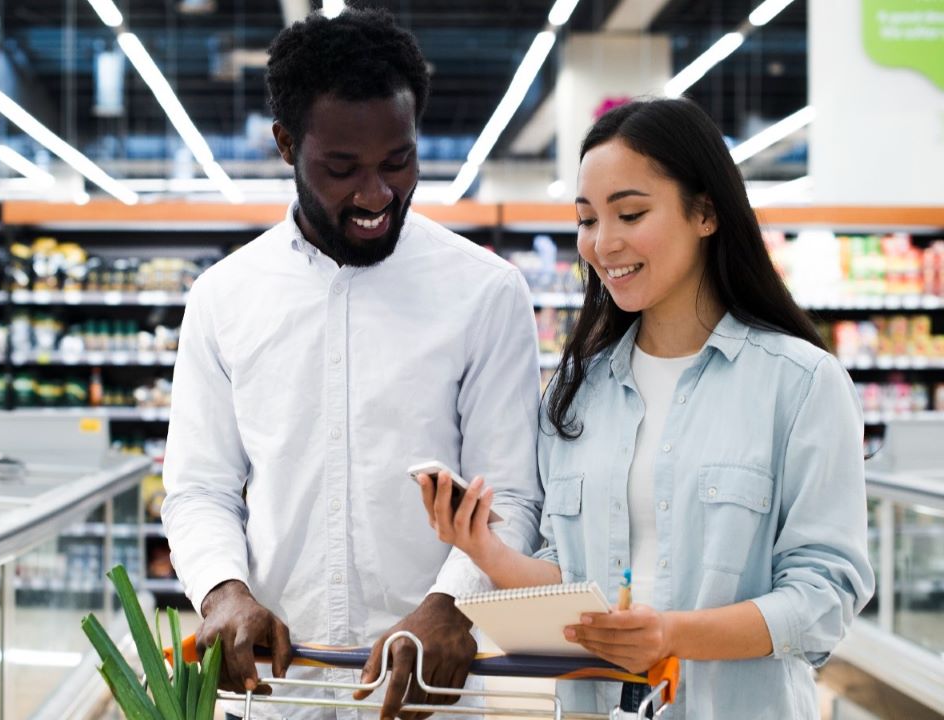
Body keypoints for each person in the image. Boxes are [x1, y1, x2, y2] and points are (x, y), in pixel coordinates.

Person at [418, 98, 874, 718]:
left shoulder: (800, 383)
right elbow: (572, 582)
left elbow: (826, 596)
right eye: (586, 220)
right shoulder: (575, 392)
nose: (603, 244)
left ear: (706, 212)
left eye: (630, 213)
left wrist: (672, 637)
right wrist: (484, 551)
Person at [160, 8, 543, 720]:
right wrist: (223, 591)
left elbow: (513, 495)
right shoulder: (224, 298)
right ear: (285, 145)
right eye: (342, 169)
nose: (376, 195)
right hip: (276, 687)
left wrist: (451, 608)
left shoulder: (486, 294)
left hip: (429, 688)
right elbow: (199, 488)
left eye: (398, 162)